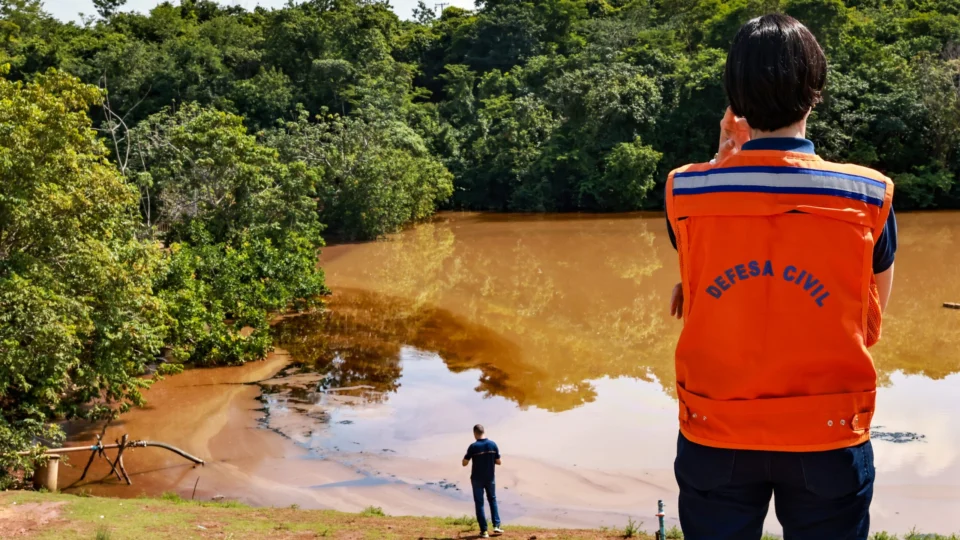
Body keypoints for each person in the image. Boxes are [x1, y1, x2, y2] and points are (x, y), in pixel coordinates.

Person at [663, 14, 897, 540]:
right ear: (815, 91)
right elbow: (872, 318)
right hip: (829, 431)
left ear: (734, 98)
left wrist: (723, 157)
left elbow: (699, 275)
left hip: (715, 426)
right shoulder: (866, 195)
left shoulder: (686, 192)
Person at [462, 424, 502, 538]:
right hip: (490, 478)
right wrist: (489, 459)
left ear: (475, 433)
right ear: (484, 431)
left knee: (479, 504)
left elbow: (464, 463)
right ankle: (496, 525)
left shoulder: (473, 447)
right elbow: (499, 462)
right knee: (492, 500)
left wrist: (467, 459)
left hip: (476, 479)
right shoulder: (493, 444)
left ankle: (484, 531)